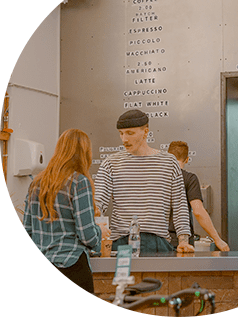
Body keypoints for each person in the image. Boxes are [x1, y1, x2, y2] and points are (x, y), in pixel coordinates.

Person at [23, 129, 110, 293]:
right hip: (72, 266)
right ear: (85, 153)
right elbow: (86, 234)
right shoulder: (79, 182)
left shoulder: (36, 183)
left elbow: (27, 230)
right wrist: (100, 232)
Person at [95, 109, 194, 254]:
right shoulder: (110, 164)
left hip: (157, 241)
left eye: (130, 133)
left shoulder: (168, 162)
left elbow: (179, 205)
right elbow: (98, 203)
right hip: (122, 241)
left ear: (145, 132)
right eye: (121, 133)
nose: (124, 139)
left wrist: (183, 241)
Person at [168, 141, 230, 252]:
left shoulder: (158, 177)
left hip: (159, 240)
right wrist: (217, 239)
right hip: (182, 242)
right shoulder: (189, 179)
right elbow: (198, 211)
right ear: (187, 159)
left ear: (168, 157)